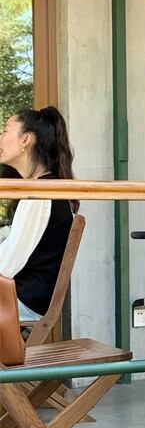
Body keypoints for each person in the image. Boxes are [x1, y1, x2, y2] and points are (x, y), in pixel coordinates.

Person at [0, 107, 78, 322]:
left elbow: (7, 265)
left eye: (5, 130)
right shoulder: (43, 189)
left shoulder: (40, 194)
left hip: (20, 300)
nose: (1, 138)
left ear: (25, 140)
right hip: (24, 297)